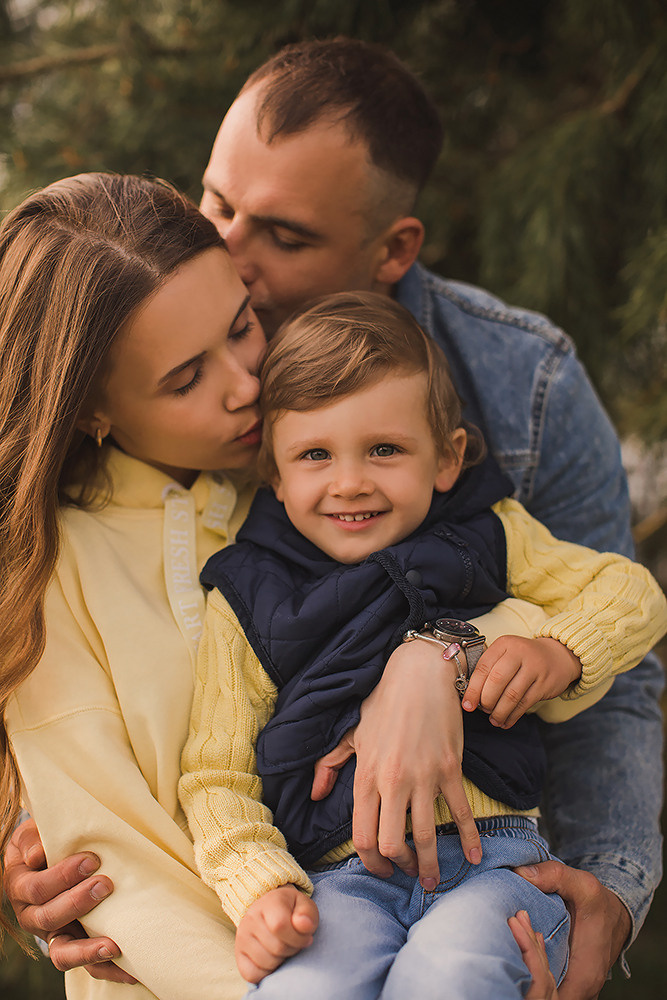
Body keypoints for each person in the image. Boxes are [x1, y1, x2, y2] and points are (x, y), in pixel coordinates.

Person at [5, 37, 664, 998]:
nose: (230, 254)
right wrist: (37, 852)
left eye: (285, 237)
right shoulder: (153, 506)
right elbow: (129, 827)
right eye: (217, 207)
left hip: (461, 891)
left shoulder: (507, 389)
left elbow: (596, 637)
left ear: (392, 249)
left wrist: (447, 658)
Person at [178, 292, 666, 998]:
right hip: (341, 880)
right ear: (275, 478)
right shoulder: (249, 596)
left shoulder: (487, 533)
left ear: (446, 458)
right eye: (314, 455)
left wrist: (558, 651)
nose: (350, 482)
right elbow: (215, 776)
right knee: (303, 988)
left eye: (384, 450)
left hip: (497, 867)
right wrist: (259, 889)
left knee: (449, 972)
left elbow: (630, 592)